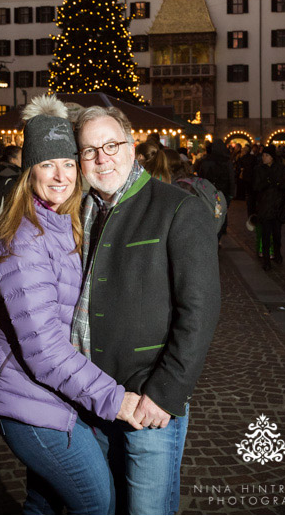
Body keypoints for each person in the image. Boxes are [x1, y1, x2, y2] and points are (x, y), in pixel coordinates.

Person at [0, 96, 142, 514]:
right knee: (96, 501)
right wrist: (114, 399)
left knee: (45, 500)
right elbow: (44, 350)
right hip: (27, 400)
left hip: (53, 396)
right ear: (29, 172)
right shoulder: (22, 241)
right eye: (47, 165)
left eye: (68, 163)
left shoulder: (65, 220)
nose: (60, 175)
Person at [72, 105, 220, 515]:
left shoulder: (178, 208)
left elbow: (200, 310)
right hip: (92, 398)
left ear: (132, 146)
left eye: (111, 145)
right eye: (89, 151)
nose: (102, 158)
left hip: (146, 400)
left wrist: (165, 393)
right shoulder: (81, 212)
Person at [253, 145, 285, 270]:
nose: (264, 157)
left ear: (272, 157)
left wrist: (279, 186)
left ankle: (277, 254)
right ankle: (266, 260)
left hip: (277, 206)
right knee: (265, 234)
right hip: (264, 206)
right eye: (263, 155)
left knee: (277, 234)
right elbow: (255, 187)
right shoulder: (259, 169)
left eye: (266, 155)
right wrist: (267, 183)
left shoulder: (280, 168)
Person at [195, 141, 236, 238]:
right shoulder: (226, 161)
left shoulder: (206, 160)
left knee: (210, 213)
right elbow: (231, 178)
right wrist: (231, 193)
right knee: (219, 214)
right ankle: (218, 235)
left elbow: (201, 176)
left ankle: (212, 234)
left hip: (209, 192)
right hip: (222, 193)